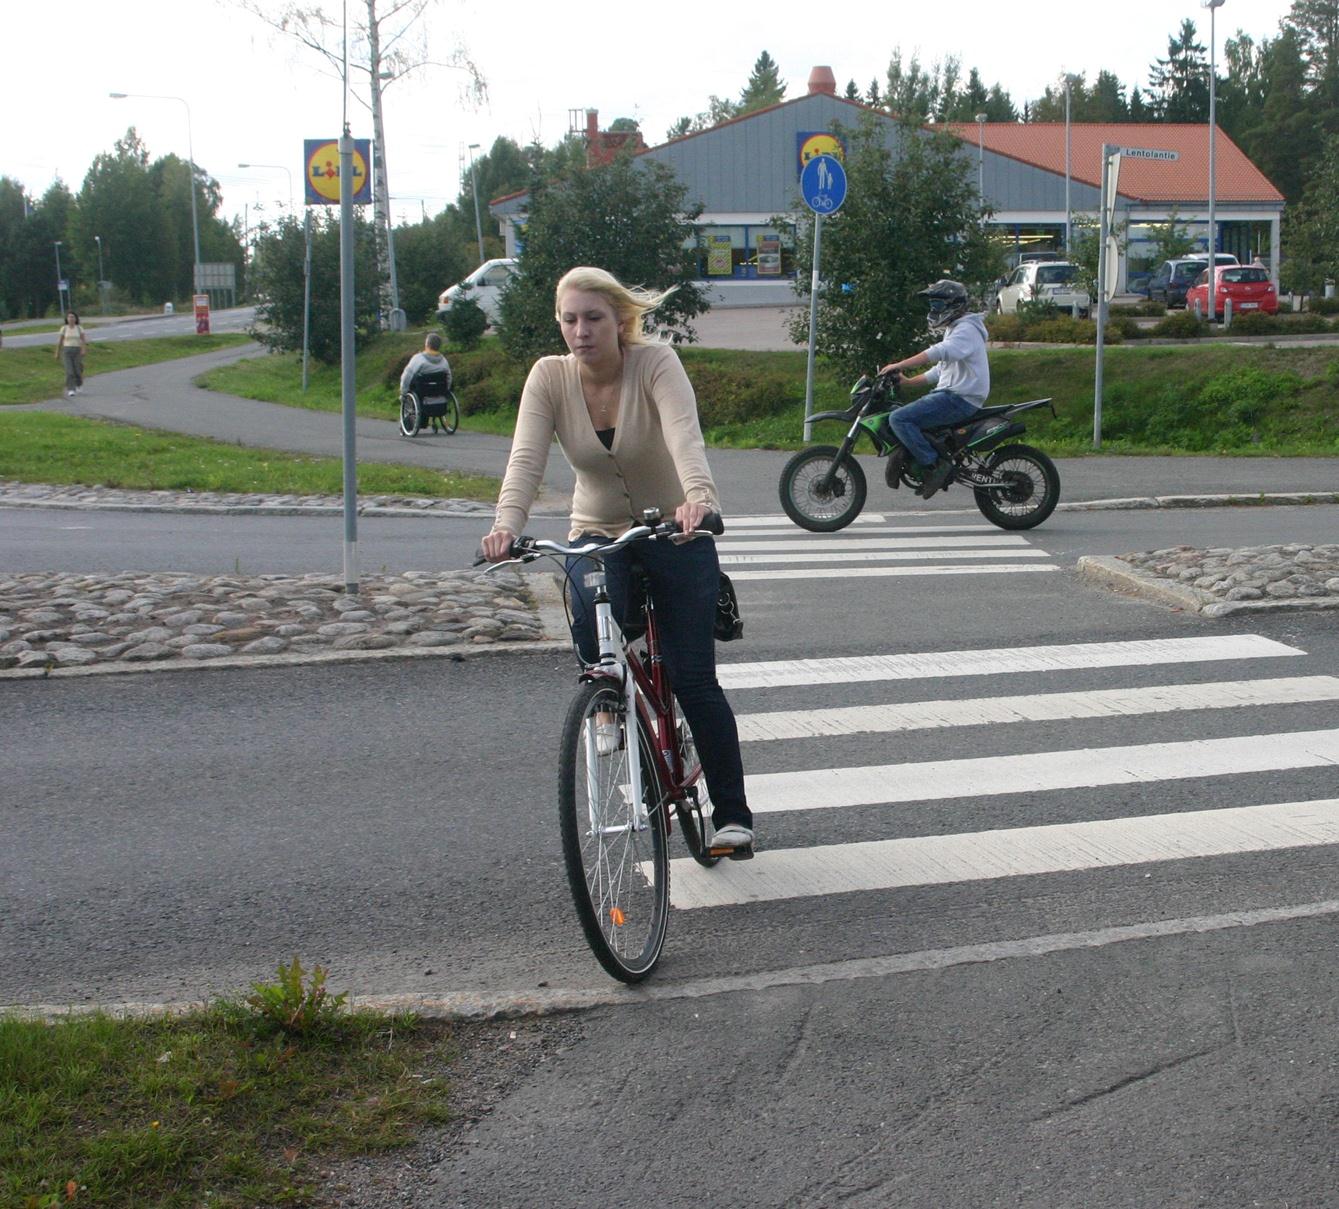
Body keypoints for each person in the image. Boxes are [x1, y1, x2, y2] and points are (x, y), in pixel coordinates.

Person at [480, 266, 754, 852]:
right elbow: (525, 458)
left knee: (692, 676)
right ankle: (607, 700)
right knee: (583, 591)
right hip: (598, 527)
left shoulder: (655, 363)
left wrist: (699, 503)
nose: (581, 331)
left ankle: (732, 814)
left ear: (620, 321)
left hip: (675, 527)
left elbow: (685, 436)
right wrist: (507, 527)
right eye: (570, 320)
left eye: (593, 318)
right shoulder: (548, 378)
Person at [879, 279, 989, 500]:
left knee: (900, 419)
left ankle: (934, 466)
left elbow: (941, 352)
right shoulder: (956, 329)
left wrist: (900, 364)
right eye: (932, 305)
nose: (933, 310)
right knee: (904, 416)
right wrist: (908, 382)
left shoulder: (966, 329)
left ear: (953, 305)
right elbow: (941, 371)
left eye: (937, 305)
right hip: (951, 394)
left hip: (960, 398)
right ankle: (918, 459)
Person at [399, 331, 452, 395]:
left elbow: (406, 377)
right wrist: (446, 391)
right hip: (440, 396)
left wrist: (404, 393)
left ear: (427, 345)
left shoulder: (418, 359)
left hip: (421, 396)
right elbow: (449, 379)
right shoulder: (444, 361)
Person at [54, 311, 88, 398]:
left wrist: (83, 349)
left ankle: (79, 384)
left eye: (73, 317)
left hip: (77, 350)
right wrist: (57, 352)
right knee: (69, 371)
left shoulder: (79, 328)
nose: (71, 319)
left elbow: (83, 340)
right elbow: (60, 341)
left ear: (76, 319)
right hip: (66, 351)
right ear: (67, 319)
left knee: (78, 370)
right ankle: (71, 389)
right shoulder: (64, 328)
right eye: (69, 317)